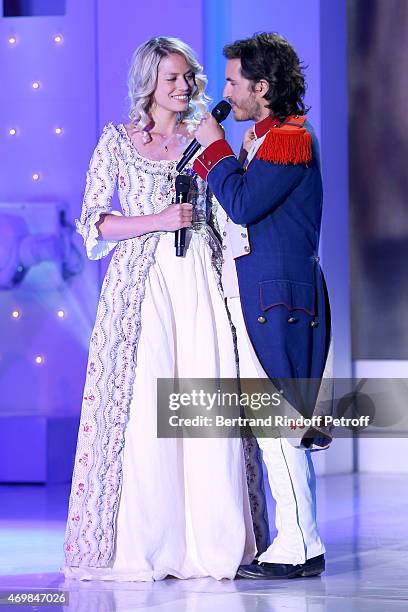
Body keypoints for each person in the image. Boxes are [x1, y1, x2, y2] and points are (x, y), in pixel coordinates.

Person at [63, 36, 256, 582]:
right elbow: (94, 223)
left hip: (199, 277)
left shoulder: (206, 137)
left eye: (188, 77)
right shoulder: (117, 143)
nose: (183, 87)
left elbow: (231, 212)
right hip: (140, 286)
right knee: (148, 407)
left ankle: (212, 542)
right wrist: (155, 220)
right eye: (172, 78)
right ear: (148, 83)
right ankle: (151, 541)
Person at [194, 32, 332, 579]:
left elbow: (245, 204)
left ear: (261, 87)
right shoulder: (265, 136)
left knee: (280, 426)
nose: (225, 91)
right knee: (277, 425)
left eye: (232, 81)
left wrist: (215, 150)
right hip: (263, 295)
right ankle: (300, 540)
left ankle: (298, 545)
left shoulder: (290, 138)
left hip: (279, 300)